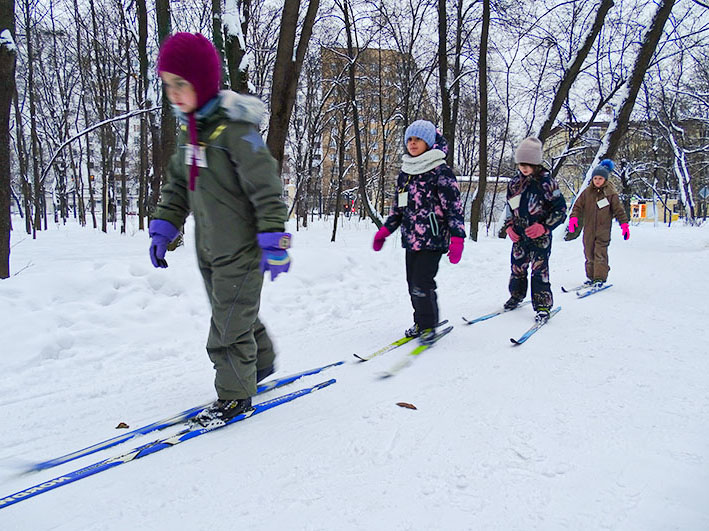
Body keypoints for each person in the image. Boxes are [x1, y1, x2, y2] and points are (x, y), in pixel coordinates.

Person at [148, 33, 291, 428]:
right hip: (209, 248)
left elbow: (267, 189)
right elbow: (178, 186)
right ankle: (261, 362)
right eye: (168, 85)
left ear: (202, 82)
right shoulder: (190, 132)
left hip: (243, 249)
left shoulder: (235, 131)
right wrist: (164, 226)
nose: (174, 94)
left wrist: (276, 241)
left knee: (227, 327)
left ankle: (235, 396)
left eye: (181, 83)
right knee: (232, 314)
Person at [372, 120, 466, 344]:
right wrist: (385, 230)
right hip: (411, 239)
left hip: (433, 239)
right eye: (410, 140)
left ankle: (429, 325)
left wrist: (457, 238)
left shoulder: (441, 172)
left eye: (418, 139)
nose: (413, 144)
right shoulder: (406, 173)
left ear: (429, 142)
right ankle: (420, 322)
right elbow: (399, 208)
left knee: (422, 284)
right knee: (412, 284)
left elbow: (454, 207)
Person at [502, 137, 567, 322]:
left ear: (536, 163)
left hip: (540, 237)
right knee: (517, 268)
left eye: (528, 164)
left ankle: (542, 305)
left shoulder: (547, 183)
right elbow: (509, 207)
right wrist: (509, 226)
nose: (524, 168)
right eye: (521, 164)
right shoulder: (514, 183)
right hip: (520, 236)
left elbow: (561, 210)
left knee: (539, 271)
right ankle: (516, 295)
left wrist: (544, 227)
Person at [567, 159, 629, 286]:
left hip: (603, 230)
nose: (597, 181)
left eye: (600, 178)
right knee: (589, 253)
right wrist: (573, 218)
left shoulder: (610, 194)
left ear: (605, 179)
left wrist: (624, 225)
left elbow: (619, 210)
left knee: (600, 254)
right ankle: (591, 277)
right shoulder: (587, 193)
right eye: (595, 178)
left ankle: (599, 278)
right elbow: (577, 206)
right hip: (589, 229)